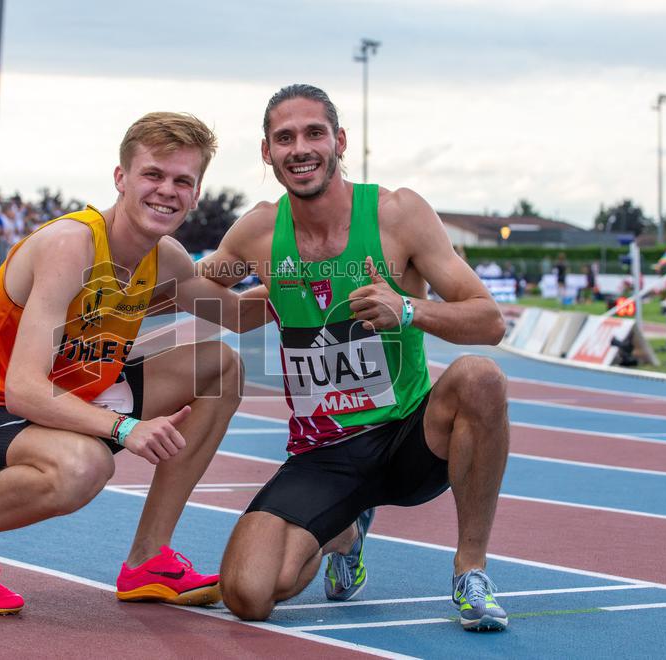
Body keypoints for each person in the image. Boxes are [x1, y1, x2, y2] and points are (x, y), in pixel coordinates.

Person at [0, 112, 265, 616]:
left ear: (195, 194)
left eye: (182, 181)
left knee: (219, 365)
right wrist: (126, 429)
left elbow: (233, 313)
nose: (166, 191)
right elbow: (22, 389)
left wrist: (312, 278)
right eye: (153, 175)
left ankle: (149, 560)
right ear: (121, 178)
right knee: (86, 465)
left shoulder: (164, 258)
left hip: (66, 400)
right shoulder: (71, 245)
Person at [200, 84, 510, 631]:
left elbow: (489, 321)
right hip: (325, 455)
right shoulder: (258, 233)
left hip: (410, 438)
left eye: (314, 133)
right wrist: (127, 281)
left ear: (339, 140)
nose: (301, 148)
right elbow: (210, 295)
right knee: (247, 594)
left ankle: (470, 569)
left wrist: (409, 309)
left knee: (479, 378)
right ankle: (345, 529)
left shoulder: (399, 214)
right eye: (285, 137)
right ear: (267, 152)